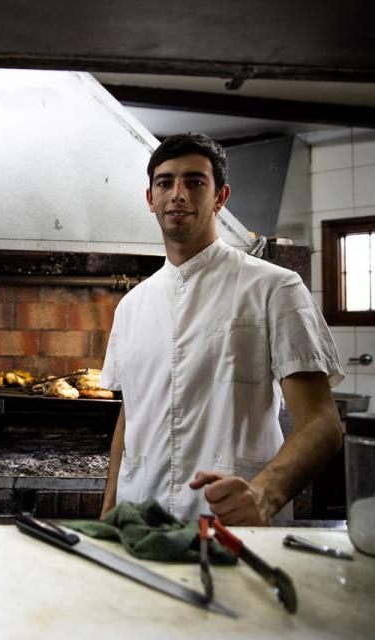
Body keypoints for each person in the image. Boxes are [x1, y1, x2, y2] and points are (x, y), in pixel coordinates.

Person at [99, 132, 343, 525]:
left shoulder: (272, 287)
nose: (178, 194)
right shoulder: (131, 306)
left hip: (232, 524)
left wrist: (265, 495)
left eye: (195, 182)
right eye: (165, 182)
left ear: (220, 198)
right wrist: (108, 508)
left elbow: (322, 423)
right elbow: (132, 414)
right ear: (151, 200)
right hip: (141, 523)